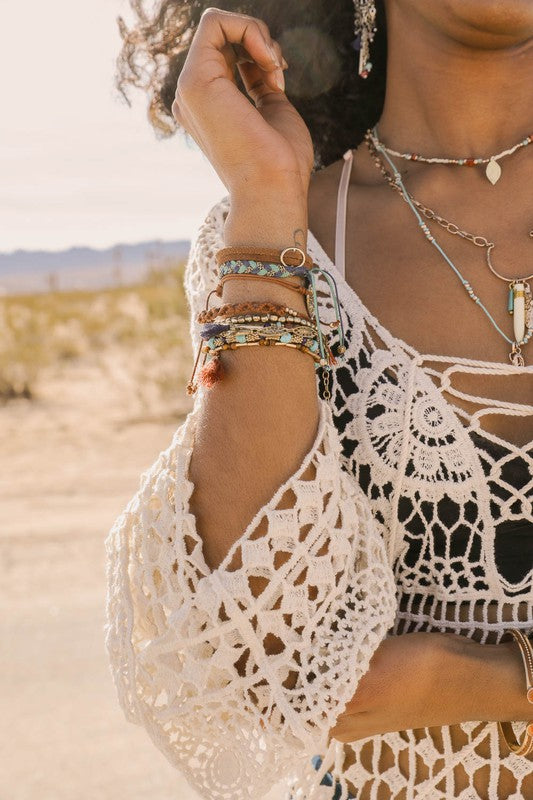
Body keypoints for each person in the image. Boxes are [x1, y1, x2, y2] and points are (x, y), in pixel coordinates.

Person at [104, 2, 533, 798]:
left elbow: (347, 685)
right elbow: (267, 662)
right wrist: (266, 193)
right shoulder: (281, 243)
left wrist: (467, 675)